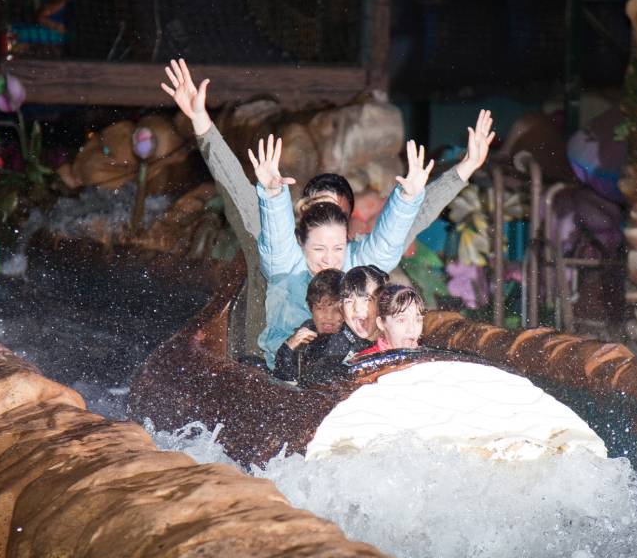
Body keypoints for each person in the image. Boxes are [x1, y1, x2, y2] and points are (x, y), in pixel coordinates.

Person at [161, 59, 494, 355]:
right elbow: (235, 189)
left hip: (338, 372)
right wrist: (202, 123)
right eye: (318, 212)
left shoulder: (356, 264)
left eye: (336, 223)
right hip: (267, 365)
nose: (328, 253)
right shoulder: (276, 248)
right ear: (302, 215)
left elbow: (410, 221)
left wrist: (462, 169)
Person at [250, 134, 432, 367]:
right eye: (318, 248)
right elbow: (276, 241)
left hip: (349, 370)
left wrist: (408, 198)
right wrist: (273, 196)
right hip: (289, 375)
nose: (329, 258)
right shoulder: (286, 267)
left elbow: (385, 244)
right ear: (301, 243)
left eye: (337, 247)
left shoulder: (354, 264)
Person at [273, 268, 344, 383]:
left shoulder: (348, 337)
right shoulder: (308, 328)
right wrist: (289, 346)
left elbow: (316, 381)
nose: (329, 317)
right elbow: (283, 377)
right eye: (321, 308)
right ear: (311, 308)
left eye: (337, 310)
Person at [354, 284, 426, 358]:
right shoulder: (365, 361)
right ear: (381, 323)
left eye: (418, 320)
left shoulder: (426, 358)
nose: (412, 329)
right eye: (401, 320)